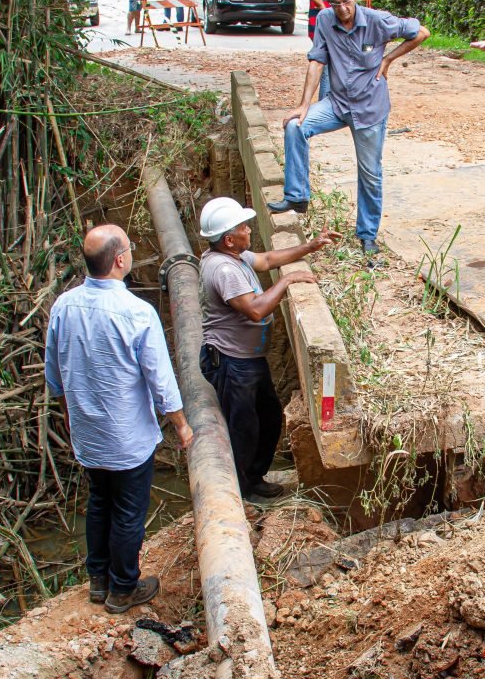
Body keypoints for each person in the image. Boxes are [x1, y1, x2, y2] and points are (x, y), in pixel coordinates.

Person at [45, 224, 194, 614]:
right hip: (127, 436)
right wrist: (180, 423)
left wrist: (68, 414)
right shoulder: (136, 312)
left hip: (88, 432)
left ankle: (98, 580)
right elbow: (160, 378)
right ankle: (123, 588)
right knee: (128, 512)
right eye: (128, 247)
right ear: (119, 260)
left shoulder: (64, 305)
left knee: (99, 502)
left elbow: (54, 372)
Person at [269, 0, 429, 257]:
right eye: (334, 3)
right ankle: (297, 197)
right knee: (295, 126)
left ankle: (367, 235)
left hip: (369, 109)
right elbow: (317, 61)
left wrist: (388, 59)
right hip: (338, 103)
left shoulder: (378, 21)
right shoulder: (326, 21)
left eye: (346, 1)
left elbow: (420, 33)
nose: (341, 8)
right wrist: (304, 105)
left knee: (370, 174)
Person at [198, 198, 340, 501]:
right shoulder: (224, 269)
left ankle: (254, 477)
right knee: (243, 428)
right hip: (232, 362)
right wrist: (288, 280)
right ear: (229, 238)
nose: (249, 230)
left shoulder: (235, 256)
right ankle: (242, 493)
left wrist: (310, 247)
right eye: (243, 227)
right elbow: (255, 311)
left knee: (268, 416)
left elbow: (268, 259)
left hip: (248, 360)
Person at [300, 0, 349, 99]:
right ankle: (324, 104)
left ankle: (329, 102)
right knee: (326, 66)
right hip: (321, 27)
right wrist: (321, 3)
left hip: (332, 27)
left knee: (331, 66)